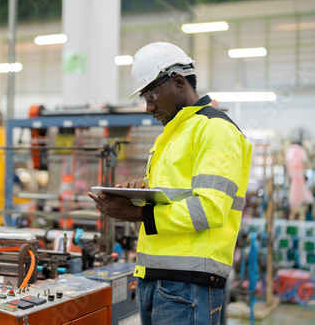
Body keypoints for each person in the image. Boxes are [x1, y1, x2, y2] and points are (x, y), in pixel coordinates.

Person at [88, 42, 252, 324]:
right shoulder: (171, 135)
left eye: (152, 93)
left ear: (178, 82)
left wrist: (136, 213)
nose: (148, 106)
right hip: (156, 280)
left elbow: (209, 209)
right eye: (144, 96)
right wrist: (137, 193)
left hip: (189, 286)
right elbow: (170, 194)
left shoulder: (215, 130)